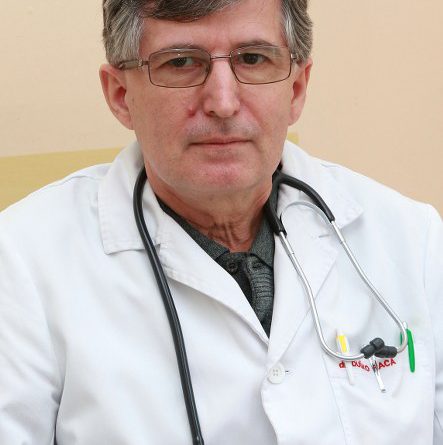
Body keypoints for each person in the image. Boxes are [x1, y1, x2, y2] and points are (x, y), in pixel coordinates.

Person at [0, 0, 442, 443]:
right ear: (120, 95)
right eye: (181, 62)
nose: (223, 103)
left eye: (253, 58)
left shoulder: (412, 239)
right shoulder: (22, 263)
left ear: (297, 88)